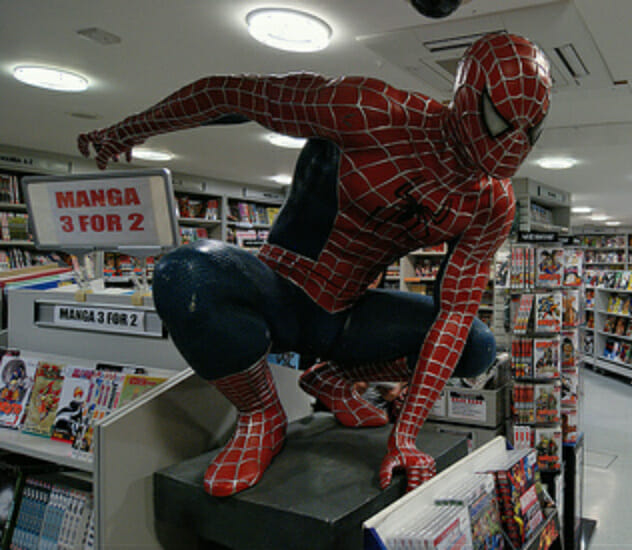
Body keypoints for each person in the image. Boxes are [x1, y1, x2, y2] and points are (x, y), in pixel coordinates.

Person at [77, 32, 552, 496]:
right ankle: (261, 413)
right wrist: (130, 129)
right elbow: (230, 94)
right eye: (499, 121)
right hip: (281, 290)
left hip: (345, 316)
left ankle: (332, 379)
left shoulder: (492, 201)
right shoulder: (373, 112)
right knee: (185, 274)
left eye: (529, 132)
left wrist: (404, 435)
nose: (511, 148)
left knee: (478, 345)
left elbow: (455, 312)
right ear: (469, 97)